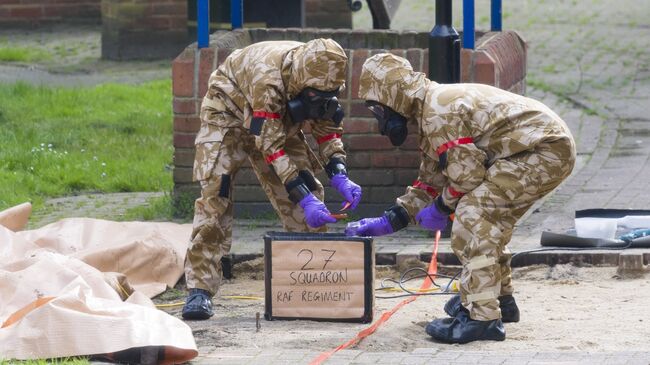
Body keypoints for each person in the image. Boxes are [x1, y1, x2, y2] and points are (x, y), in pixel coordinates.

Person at [346, 53, 576, 343]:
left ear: (392, 96)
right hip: (539, 149)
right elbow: (430, 180)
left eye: (377, 109)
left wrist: (442, 207)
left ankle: (482, 318)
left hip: (543, 150)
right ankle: (498, 301)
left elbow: (466, 177)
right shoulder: (430, 109)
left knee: (473, 215)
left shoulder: (438, 112)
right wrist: (390, 220)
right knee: (489, 219)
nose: (379, 118)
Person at [182, 39, 362, 320]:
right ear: (301, 84)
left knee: (306, 196)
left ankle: (309, 286)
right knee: (216, 194)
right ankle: (199, 289)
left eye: (328, 95)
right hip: (227, 114)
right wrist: (301, 193)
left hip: (277, 123)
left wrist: (339, 173)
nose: (322, 99)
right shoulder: (269, 79)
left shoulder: (324, 77)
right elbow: (270, 147)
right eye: (315, 96)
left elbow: (328, 129)